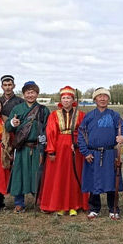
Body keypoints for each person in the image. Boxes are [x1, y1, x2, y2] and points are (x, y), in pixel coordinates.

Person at [77, 87, 123, 220]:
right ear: (95, 99)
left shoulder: (115, 115)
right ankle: (94, 209)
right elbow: (81, 135)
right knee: (93, 181)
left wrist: (122, 137)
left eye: (105, 96)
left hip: (110, 154)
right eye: (100, 96)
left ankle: (113, 209)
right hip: (93, 154)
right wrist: (85, 152)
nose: (103, 98)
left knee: (112, 181)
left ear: (109, 99)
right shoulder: (89, 116)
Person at [40, 86, 88, 215]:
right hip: (59, 148)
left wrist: (78, 144)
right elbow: (50, 133)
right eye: (64, 98)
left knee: (74, 175)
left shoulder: (81, 115)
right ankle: (59, 204)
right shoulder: (54, 115)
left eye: (69, 98)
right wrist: (51, 151)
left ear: (73, 100)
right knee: (59, 177)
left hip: (75, 149)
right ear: (61, 100)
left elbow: (84, 132)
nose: (66, 100)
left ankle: (74, 205)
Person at [6, 81, 50, 213]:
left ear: (37, 93)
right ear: (24, 94)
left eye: (33, 92)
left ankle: (42, 202)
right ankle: (19, 203)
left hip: (38, 147)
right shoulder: (17, 109)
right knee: (19, 174)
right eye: (27, 92)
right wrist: (13, 123)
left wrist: (45, 144)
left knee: (39, 174)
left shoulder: (43, 110)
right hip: (22, 147)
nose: (30, 95)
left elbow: (49, 129)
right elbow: (8, 127)